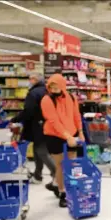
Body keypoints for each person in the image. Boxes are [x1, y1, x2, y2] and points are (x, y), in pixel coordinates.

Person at [41, 73, 85, 208]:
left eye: (56, 88)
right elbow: (53, 121)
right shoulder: (47, 100)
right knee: (60, 164)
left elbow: (76, 115)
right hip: (54, 135)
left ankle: (69, 186)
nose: (53, 90)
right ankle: (62, 193)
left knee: (72, 162)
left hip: (72, 132)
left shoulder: (71, 98)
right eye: (51, 88)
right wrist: (68, 137)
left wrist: (80, 132)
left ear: (62, 86)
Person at [10, 73, 56, 185]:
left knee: (42, 151)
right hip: (47, 124)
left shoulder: (34, 93)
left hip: (37, 126)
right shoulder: (46, 90)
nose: (29, 81)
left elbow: (28, 111)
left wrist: (15, 119)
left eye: (31, 78)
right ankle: (38, 175)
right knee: (37, 150)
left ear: (35, 79)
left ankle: (57, 174)